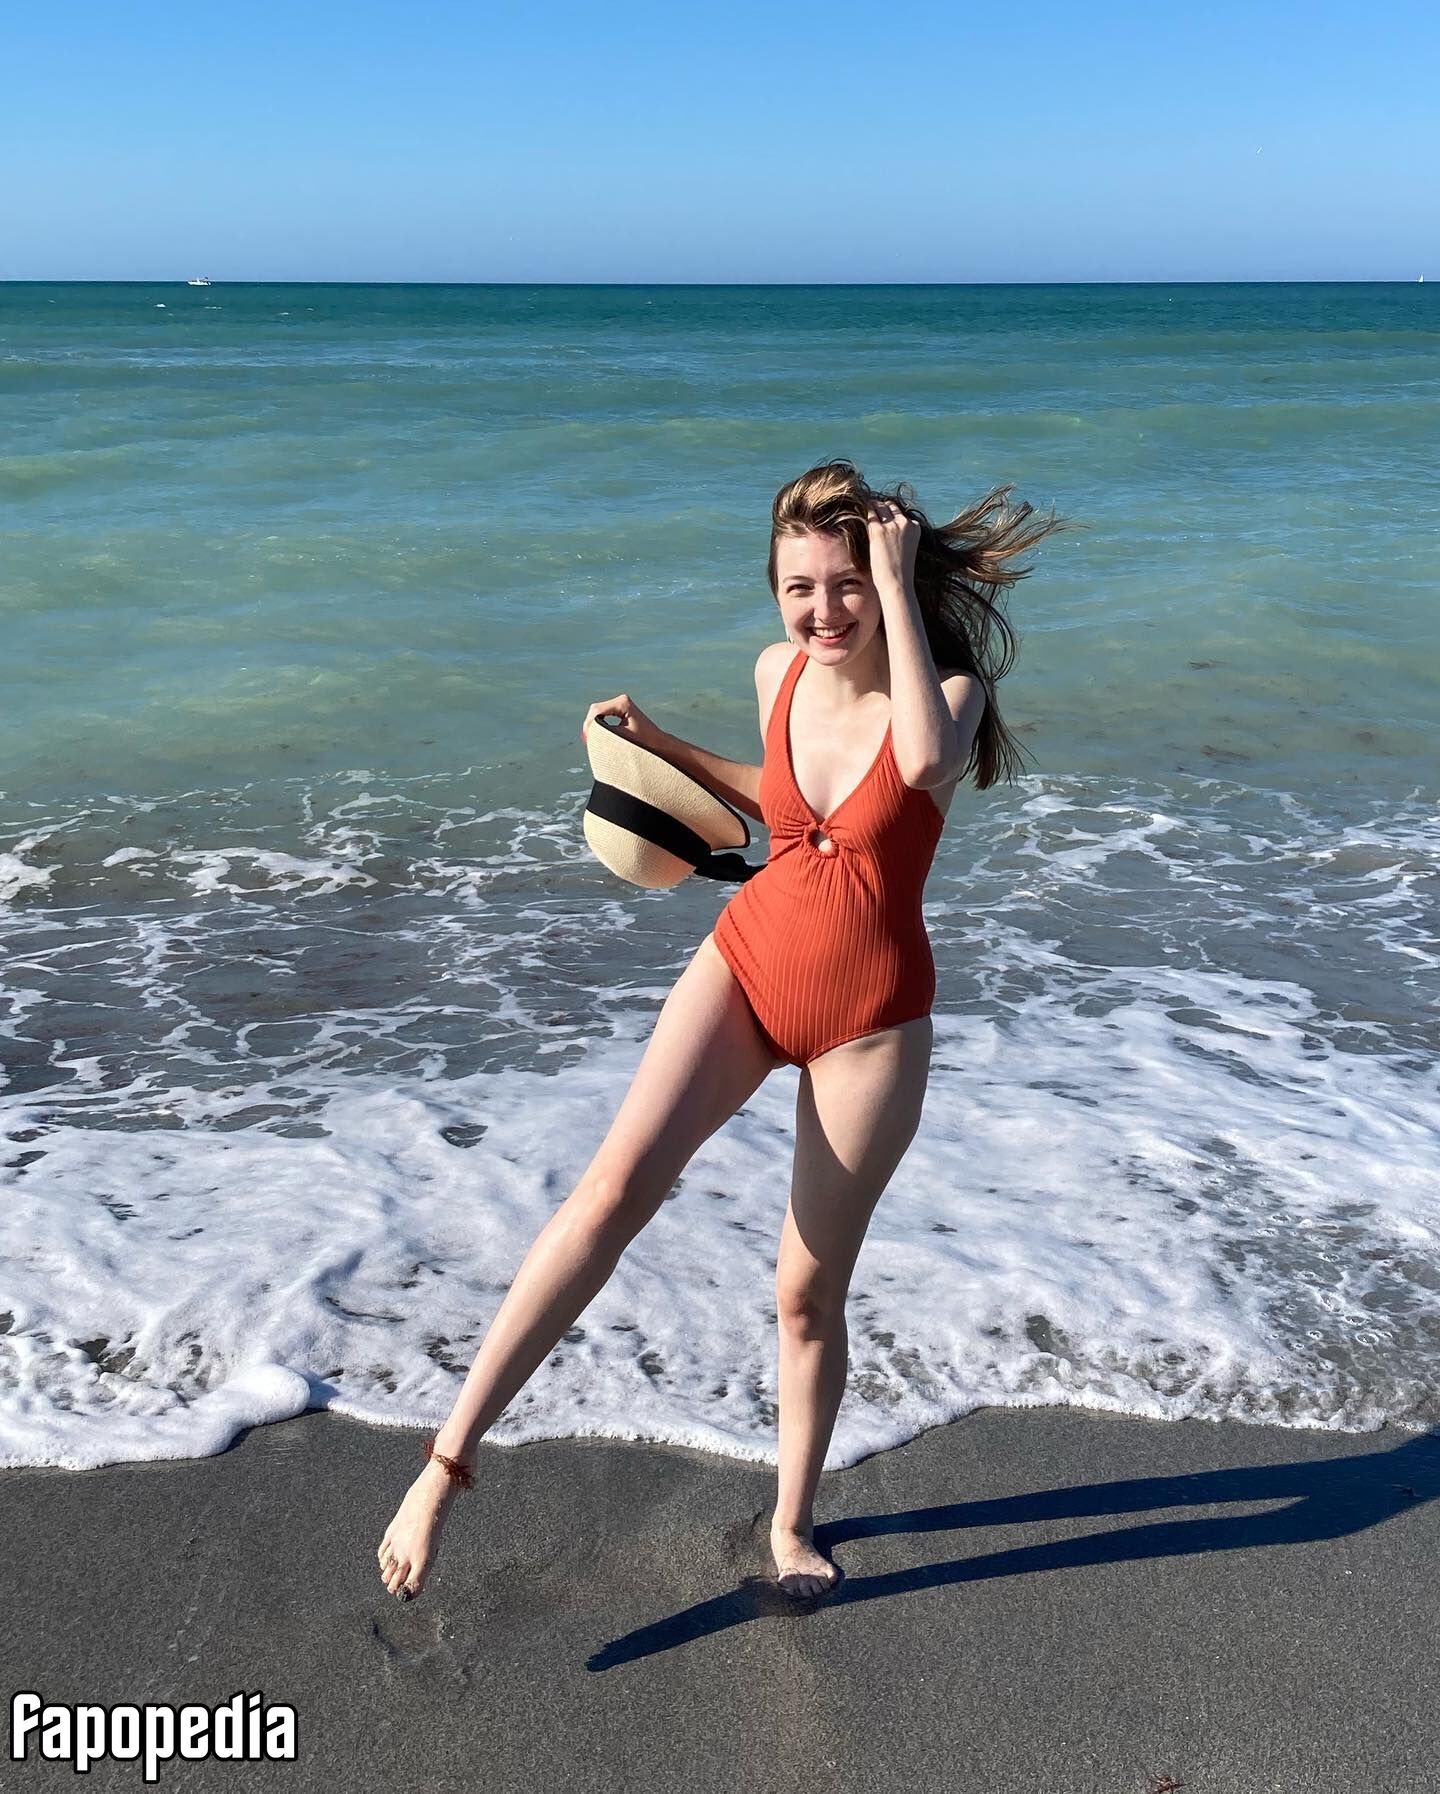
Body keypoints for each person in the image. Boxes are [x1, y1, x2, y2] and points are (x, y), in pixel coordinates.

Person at [377, 459, 1066, 1602]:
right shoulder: (775, 673)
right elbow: (783, 795)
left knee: (806, 1295)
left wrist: (899, 582)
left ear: (885, 578)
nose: (822, 612)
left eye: (846, 584)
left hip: (870, 1023)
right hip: (746, 963)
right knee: (610, 1193)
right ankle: (446, 1465)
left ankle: (792, 1520)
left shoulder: (945, 696)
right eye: (799, 588)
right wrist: (664, 745)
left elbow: (921, 767)